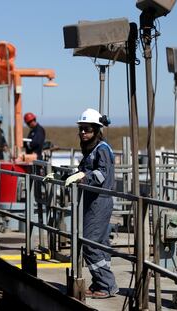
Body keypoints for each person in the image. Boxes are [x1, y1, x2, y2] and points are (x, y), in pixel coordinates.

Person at [64, 108, 118, 299]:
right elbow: (84, 170)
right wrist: (65, 174)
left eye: (87, 129)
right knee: (100, 243)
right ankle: (100, 283)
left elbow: (101, 174)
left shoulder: (102, 149)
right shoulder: (92, 150)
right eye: (81, 129)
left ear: (96, 130)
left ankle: (107, 284)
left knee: (89, 243)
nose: (83, 133)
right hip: (91, 200)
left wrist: (82, 178)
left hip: (99, 201)